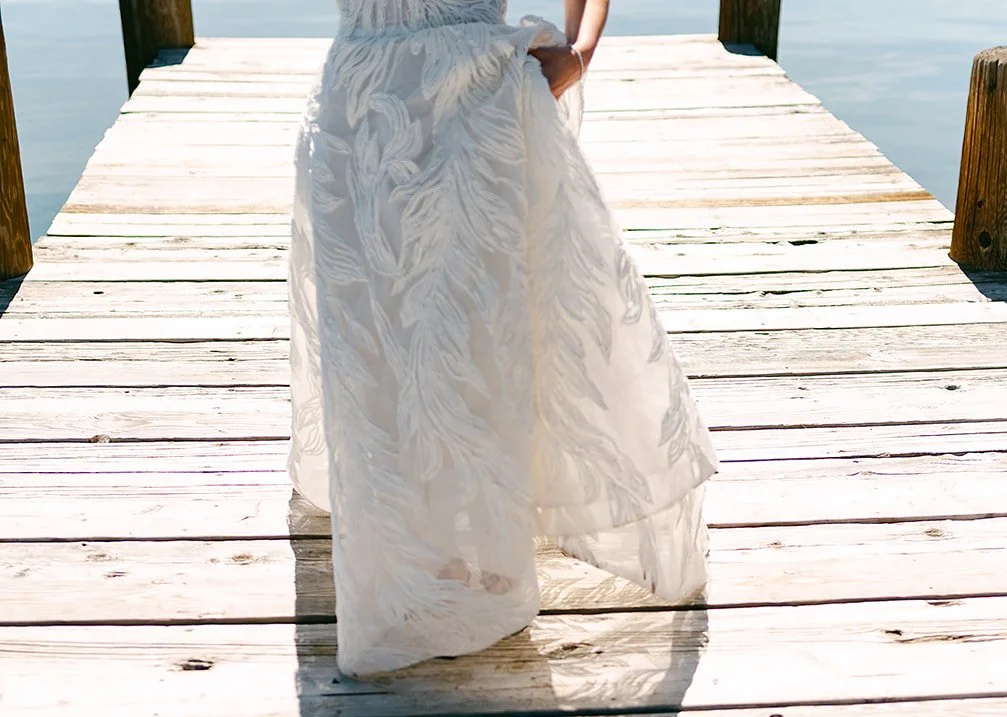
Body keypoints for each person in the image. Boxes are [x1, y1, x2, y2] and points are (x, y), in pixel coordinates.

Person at [289, 0, 717, 676]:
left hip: (474, 110)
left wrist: (580, 51)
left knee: (474, 337)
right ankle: (405, 549)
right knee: (372, 339)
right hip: (360, 109)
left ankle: (477, 549)